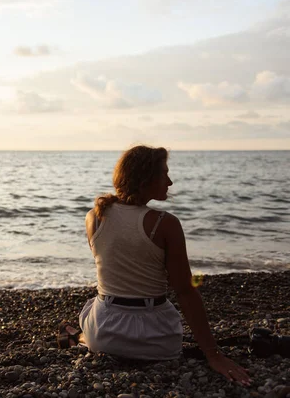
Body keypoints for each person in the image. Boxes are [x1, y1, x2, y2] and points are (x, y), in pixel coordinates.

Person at [63, 145, 251, 386]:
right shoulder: (165, 224)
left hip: (104, 334)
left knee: (97, 304)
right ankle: (76, 336)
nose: (170, 182)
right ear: (145, 179)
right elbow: (185, 291)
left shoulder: (94, 217)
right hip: (158, 340)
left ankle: (78, 337)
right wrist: (214, 355)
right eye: (164, 174)